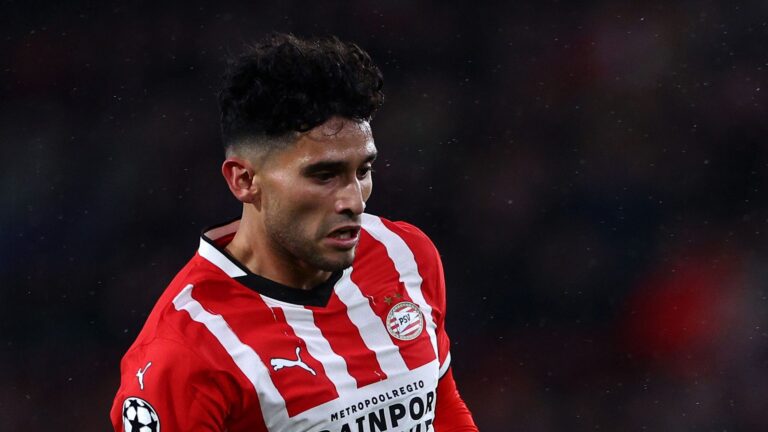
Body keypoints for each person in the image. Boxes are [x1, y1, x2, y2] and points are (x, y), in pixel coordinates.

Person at [111, 33, 478, 432]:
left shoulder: (404, 252)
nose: (354, 201)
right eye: (324, 175)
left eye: (363, 171)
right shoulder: (186, 349)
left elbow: (441, 407)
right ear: (244, 181)